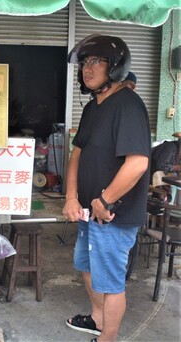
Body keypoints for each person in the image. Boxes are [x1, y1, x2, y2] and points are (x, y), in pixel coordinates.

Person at [62, 34, 150, 342]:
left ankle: (108, 337)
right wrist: (72, 196)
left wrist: (105, 199)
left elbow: (137, 163)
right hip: (89, 210)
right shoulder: (93, 107)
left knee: (111, 282)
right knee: (87, 266)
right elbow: (77, 154)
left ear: (114, 66)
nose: (88, 68)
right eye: (85, 62)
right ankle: (97, 319)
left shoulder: (128, 105)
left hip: (114, 214)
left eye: (96, 61)